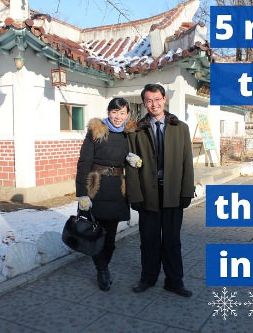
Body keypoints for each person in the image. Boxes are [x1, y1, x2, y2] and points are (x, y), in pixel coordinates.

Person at [126, 83, 195, 298]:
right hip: (148, 194)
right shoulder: (137, 130)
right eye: (148, 100)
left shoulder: (180, 128)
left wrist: (186, 191)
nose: (153, 104)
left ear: (164, 99)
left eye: (157, 99)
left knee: (172, 240)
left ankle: (174, 281)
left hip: (173, 193)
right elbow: (131, 165)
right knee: (148, 239)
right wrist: (135, 195)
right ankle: (148, 278)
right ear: (144, 103)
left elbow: (187, 162)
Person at [75, 97, 141, 291]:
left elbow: (140, 155)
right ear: (108, 112)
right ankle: (102, 270)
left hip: (117, 188)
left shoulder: (130, 134)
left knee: (110, 238)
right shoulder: (97, 130)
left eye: (122, 113)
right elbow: (84, 162)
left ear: (128, 114)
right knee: (96, 233)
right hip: (96, 186)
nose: (118, 117)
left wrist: (136, 160)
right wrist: (82, 193)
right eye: (114, 112)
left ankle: (102, 266)